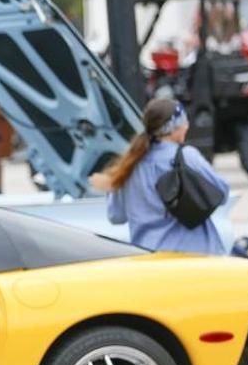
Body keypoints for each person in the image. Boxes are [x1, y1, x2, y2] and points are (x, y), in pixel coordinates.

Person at [98, 98, 230, 255]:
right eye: (184, 122)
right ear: (174, 127)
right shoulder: (186, 156)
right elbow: (222, 194)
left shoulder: (129, 164)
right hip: (193, 260)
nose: (187, 127)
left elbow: (116, 216)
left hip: (148, 258)